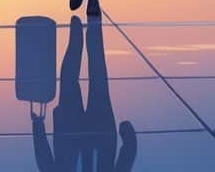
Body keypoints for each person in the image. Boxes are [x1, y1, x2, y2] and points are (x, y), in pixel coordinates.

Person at [31, 16, 137, 172]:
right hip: (88, 132)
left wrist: (38, 127)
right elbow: (44, 162)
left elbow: (45, 164)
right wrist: (37, 127)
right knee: (85, 79)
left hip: (84, 132)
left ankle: (85, 32)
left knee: (94, 78)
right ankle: (84, 32)